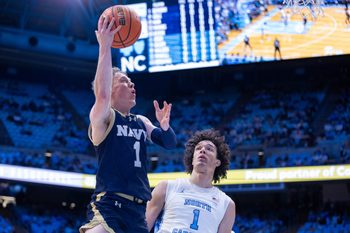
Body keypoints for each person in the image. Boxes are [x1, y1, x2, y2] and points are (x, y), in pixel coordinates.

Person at [79, 16, 177, 233]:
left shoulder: (141, 121)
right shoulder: (103, 117)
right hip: (109, 206)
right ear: (109, 88)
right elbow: (102, 95)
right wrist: (105, 46)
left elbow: (169, 143)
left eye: (131, 81)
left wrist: (164, 126)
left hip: (138, 212)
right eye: (124, 80)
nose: (131, 84)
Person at [146, 129, 236, 233]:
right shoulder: (166, 187)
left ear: (217, 162)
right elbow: (142, 228)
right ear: (192, 159)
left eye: (209, 149)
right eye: (198, 148)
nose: (202, 150)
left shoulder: (227, 204)